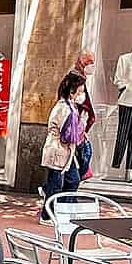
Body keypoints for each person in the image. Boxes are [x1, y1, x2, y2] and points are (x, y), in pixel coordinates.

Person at [40, 71, 88, 221]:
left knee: (73, 180)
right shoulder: (64, 108)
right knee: (56, 185)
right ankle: (47, 215)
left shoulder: (70, 107)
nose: (82, 94)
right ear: (72, 92)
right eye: (80, 91)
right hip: (58, 150)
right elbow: (67, 135)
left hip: (67, 152)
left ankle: (63, 211)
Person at [61, 52, 97, 181]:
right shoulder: (75, 79)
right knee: (83, 156)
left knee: (81, 159)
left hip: (78, 128)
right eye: (90, 62)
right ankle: (52, 191)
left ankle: (57, 192)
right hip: (74, 130)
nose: (92, 65)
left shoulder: (82, 79)